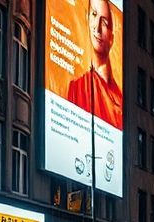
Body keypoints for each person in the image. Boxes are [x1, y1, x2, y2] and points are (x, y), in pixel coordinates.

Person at [65, 0, 124, 129]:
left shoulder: (121, 101)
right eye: (94, 14)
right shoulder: (77, 87)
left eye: (104, 22)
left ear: (111, 38)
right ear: (87, 18)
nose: (97, 27)